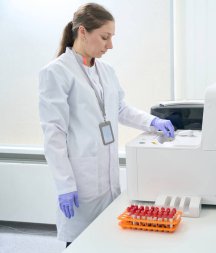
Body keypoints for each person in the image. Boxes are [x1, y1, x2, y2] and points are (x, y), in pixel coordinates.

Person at [38, 3, 174, 247]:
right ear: (82, 32)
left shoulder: (106, 71)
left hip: (108, 176)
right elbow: (54, 134)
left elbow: (120, 109)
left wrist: (152, 121)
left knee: (108, 240)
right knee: (81, 243)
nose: (110, 45)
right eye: (104, 37)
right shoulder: (57, 73)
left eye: (111, 37)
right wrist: (64, 185)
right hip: (81, 180)